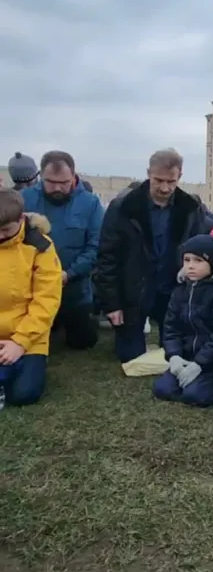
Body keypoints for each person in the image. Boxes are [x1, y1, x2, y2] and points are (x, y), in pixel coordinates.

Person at [95, 148, 213, 363]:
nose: (165, 187)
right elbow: (107, 257)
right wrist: (112, 304)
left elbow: (202, 251)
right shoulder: (123, 207)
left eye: (171, 181)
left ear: (180, 177)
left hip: (173, 289)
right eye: (159, 180)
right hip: (134, 291)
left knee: (178, 353)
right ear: (148, 173)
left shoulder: (191, 208)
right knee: (130, 356)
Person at [21, 150, 103, 350]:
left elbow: (95, 247)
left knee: (83, 342)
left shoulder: (91, 204)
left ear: (74, 176)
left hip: (74, 288)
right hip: (31, 288)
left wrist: (68, 274)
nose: (57, 187)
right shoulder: (23, 199)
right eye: (50, 182)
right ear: (40, 176)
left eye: (64, 182)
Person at [153, 235, 213, 406]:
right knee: (162, 390)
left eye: (198, 260)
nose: (190, 266)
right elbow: (171, 327)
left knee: (194, 396)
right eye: (186, 260)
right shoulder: (179, 290)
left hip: (212, 362)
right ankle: (185, 375)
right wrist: (174, 356)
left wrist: (200, 363)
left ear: (211, 263)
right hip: (185, 356)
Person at [0, 189, 62, 405]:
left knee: (24, 394)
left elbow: (47, 300)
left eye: (5, 230)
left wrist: (20, 342)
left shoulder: (40, 247)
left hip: (29, 337)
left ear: (21, 219)